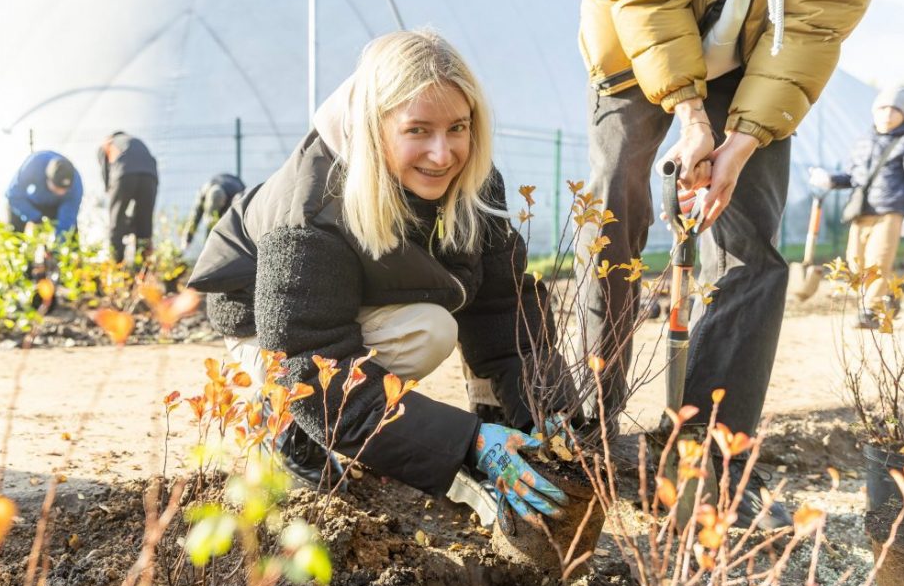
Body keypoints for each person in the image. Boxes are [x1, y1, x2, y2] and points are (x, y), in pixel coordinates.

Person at [187, 30, 581, 533]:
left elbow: (502, 306)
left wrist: (546, 407)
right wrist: (468, 443)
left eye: (458, 127)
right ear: (374, 127)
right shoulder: (312, 212)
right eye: (418, 130)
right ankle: (295, 434)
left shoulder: (475, 184)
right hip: (273, 337)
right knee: (427, 331)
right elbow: (306, 366)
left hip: (355, 304)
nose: (442, 154)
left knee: (446, 320)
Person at [576, 0, 874, 529]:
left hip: (756, 64)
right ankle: (588, 428)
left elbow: (811, 25)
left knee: (751, 251)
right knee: (613, 212)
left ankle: (710, 454)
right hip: (637, 31)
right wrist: (691, 118)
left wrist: (741, 143)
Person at [810, 86, 904, 329]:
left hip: (890, 210)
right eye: (883, 108)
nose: (887, 114)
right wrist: (830, 180)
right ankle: (893, 291)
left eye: (895, 109)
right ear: (874, 111)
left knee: (878, 260)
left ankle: (870, 312)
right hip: (860, 210)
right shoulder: (863, 141)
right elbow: (854, 176)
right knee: (856, 263)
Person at [97, 131, 159, 263]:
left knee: (116, 221)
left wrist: (109, 188)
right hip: (150, 177)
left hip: (124, 174)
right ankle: (143, 268)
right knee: (145, 223)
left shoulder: (107, 143)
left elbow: (106, 173)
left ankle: (117, 264)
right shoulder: (135, 141)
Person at [5, 150, 83, 237]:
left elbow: (67, 219)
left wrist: (56, 248)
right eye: (57, 188)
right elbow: (13, 195)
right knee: (14, 234)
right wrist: (35, 217)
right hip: (31, 201)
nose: (61, 192)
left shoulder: (76, 186)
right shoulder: (34, 165)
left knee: (70, 236)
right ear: (48, 179)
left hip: (56, 206)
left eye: (64, 190)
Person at [180, 173, 246, 250]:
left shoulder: (237, 196)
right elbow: (195, 215)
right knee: (211, 224)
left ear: (224, 201)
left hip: (235, 186)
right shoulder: (204, 191)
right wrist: (187, 238)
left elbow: (238, 222)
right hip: (219, 184)